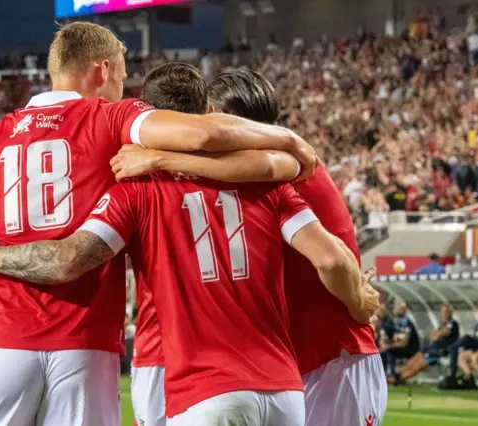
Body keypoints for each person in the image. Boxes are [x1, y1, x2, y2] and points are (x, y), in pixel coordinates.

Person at [0, 23, 318, 426]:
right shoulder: (113, 117)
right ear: (102, 71)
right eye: (121, 75)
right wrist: (289, 139)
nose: (123, 85)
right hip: (85, 348)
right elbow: (204, 134)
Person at [110, 69, 387, 426]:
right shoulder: (254, 176)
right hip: (289, 367)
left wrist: (359, 301)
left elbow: (331, 259)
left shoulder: (282, 171)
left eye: (214, 122)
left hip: (333, 357)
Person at [400, 303, 459, 380]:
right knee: (414, 358)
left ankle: (402, 379)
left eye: (446, 312)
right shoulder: (442, 324)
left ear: (450, 312)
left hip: (439, 351)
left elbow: (440, 334)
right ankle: (399, 376)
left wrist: (437, 334)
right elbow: (432, 336)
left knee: (419, 364)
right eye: (443, 312)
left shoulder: (453, 323)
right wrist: (437, 334)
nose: (444, 314)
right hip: (431, 348)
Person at [449, 303, 478, 389]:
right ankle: (470, 380)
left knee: (475, 356)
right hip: (477, 347)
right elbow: (477, 337)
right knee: (461, 357)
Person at [380, 301, 420, 385]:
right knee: (383, 350)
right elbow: (386, 334)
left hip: (410, 350)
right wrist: (385, 340)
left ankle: (393, 376)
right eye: (398, 308)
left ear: (406, 311)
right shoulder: (394, 323)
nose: (399, 310)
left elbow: (404, 343)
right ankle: (385, 375)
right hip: (398, 347)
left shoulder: (408, 324)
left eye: (402, 309)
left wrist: (388, 346)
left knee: (387, 350)